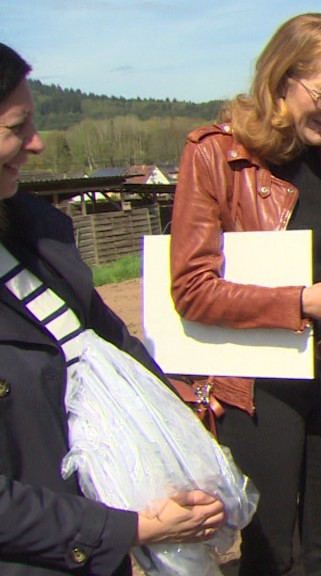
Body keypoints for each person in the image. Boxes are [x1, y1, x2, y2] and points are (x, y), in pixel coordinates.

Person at [169, 14, 321, 575]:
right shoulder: (214, 155)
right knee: (272, 552)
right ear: (281, 76)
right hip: (259, 384)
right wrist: (302, 302)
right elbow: (192, 289)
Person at [0, 43, 226, 575]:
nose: (36, 144)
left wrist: (177, 407)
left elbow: (105, 338)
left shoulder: (32, 237)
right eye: (16, 126)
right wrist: (128, 530)